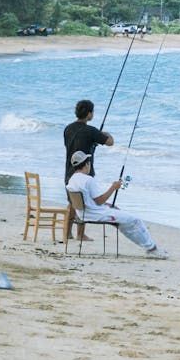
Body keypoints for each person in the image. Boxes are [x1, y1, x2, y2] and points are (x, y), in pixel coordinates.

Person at [66, 150, 168, 259]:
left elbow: (87, 200)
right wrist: (113, 187)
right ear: (87, 164)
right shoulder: (88, 180)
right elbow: (99, 201)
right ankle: (152, 249)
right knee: (135, 221)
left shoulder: (72, 180)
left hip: (83, 214)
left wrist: (107, 204)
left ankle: (149, 247)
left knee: (124, 222)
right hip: (96, 214)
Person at [64, 99, 114, 240]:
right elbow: (110, 142)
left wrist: (95, 137)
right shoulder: (91, 131)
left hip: (69, 171)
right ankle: (80, 234)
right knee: (83, 204)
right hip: (85, 171)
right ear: (89, 114)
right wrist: (106, 133)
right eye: (92, 112)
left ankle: (67, 232)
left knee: (72, 202)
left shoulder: (68, 129)